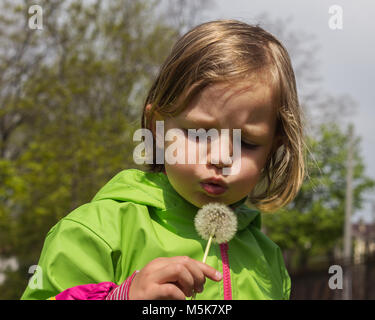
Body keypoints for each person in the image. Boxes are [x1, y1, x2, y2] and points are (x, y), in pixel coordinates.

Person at [21, 19, 305, 300]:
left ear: (273, 148)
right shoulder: (98, 231)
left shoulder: (268, 261)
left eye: (246, 142)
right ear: (159, 128)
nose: (221, 157)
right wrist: (121, 297)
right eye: (200, 133)